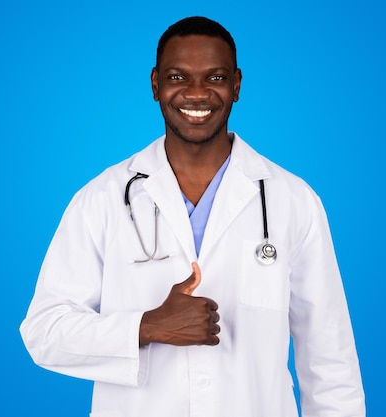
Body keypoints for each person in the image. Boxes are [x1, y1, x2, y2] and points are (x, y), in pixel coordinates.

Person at [20, 16, 365, 417]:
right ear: (155, 84)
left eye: (215, 78)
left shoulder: (292, 200)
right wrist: (147, 327)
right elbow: (43, 331)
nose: (197, 93)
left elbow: (329, 360)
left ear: (237, 85)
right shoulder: (102, 199)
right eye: (178, 76)